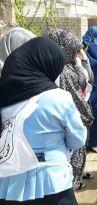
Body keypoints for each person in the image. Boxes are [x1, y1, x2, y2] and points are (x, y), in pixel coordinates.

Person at [0, 37, 87, 204]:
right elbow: (78, 140)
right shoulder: (58, 98)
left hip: (9, 185)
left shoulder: (4, 98)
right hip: (52, 183)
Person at [47, 29, 94, 190]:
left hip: (66, 119)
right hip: (70, 120)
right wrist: (87, 115)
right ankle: (72, 183)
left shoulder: (66, 65)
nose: (77, 54)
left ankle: (74, 179)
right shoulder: (64, 71)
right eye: (74, 51)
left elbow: (86, 79)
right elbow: (75, 97)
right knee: (73, 152)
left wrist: (82, 62)